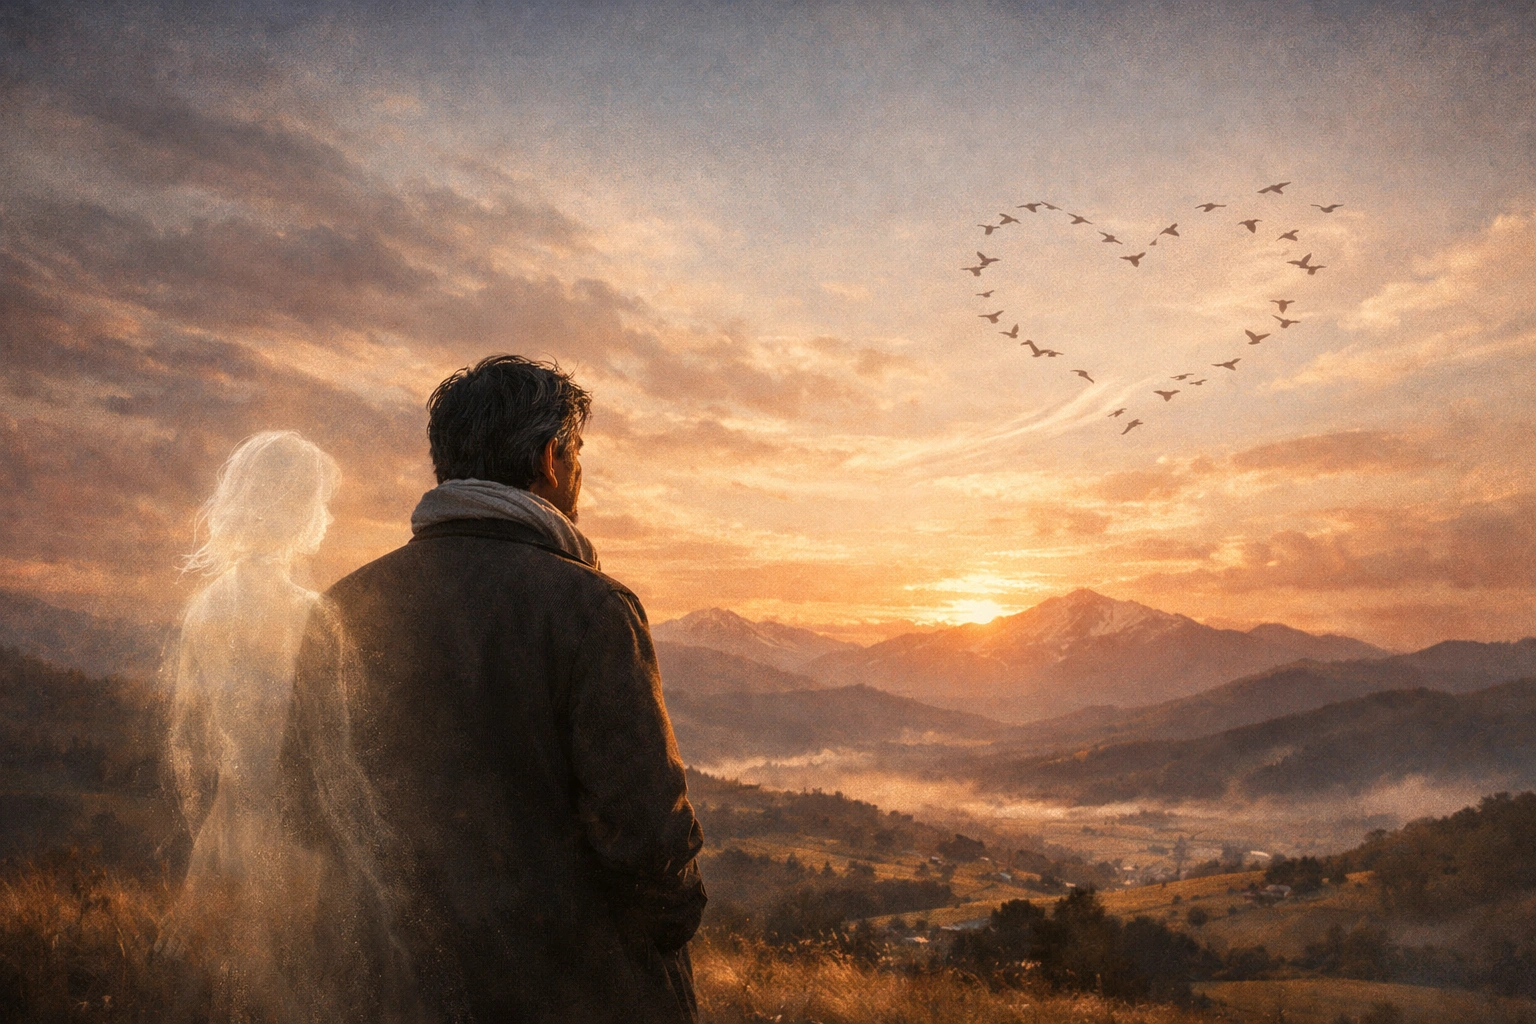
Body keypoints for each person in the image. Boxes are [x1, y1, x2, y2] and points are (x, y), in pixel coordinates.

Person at [279, 355, 707, 1023]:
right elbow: (647, 834)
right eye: (578, 454)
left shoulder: (342, 608)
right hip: (568, 993)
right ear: (550, 458)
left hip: (390, 989)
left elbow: (304, 811)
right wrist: (671, 927)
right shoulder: (589, 608)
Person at [166, 430, 340, 1020]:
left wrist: (208, 838)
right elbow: (335, 750)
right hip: (300, 840)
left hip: (228, 829)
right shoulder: (314, 614)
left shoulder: (204, 608)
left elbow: (187, 747)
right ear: (302, 511)